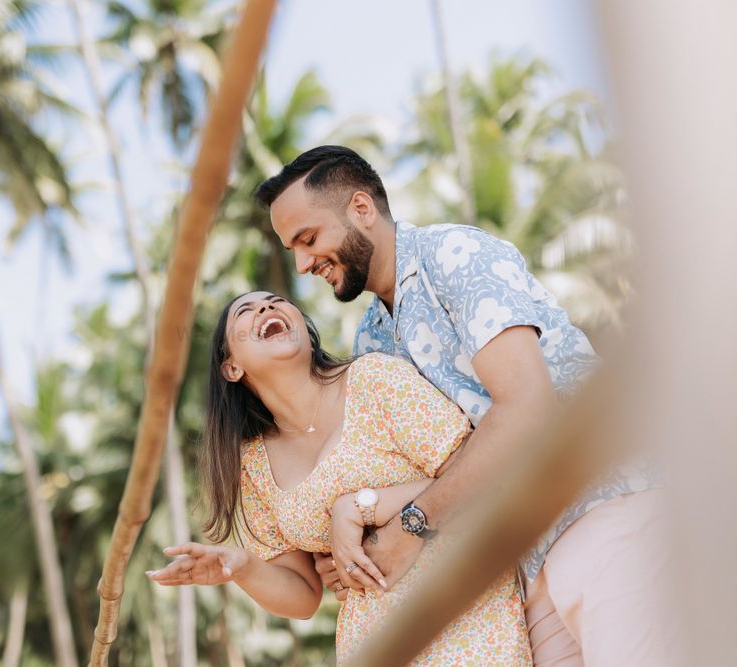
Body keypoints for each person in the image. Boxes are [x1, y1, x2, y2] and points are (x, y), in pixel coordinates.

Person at [254, 145, 670, 666]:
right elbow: (417, 473)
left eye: (307, 239)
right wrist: (352, 545)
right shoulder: (371, 343)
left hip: (600, 509)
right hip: (523, 569)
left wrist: (411, 526)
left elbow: (527, 408)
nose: (301, 263)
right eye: (291, 247)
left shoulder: (453, 255)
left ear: (362, 210)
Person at [147, 292, 531, 665]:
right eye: (245, 312)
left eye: (277, 302)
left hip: (467, 612)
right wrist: (243, 567)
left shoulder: (373, 379)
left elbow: (479, 474)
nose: (267, 306)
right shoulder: (252, 466)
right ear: (231, 367)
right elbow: (303, 596)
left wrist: (360, 508)